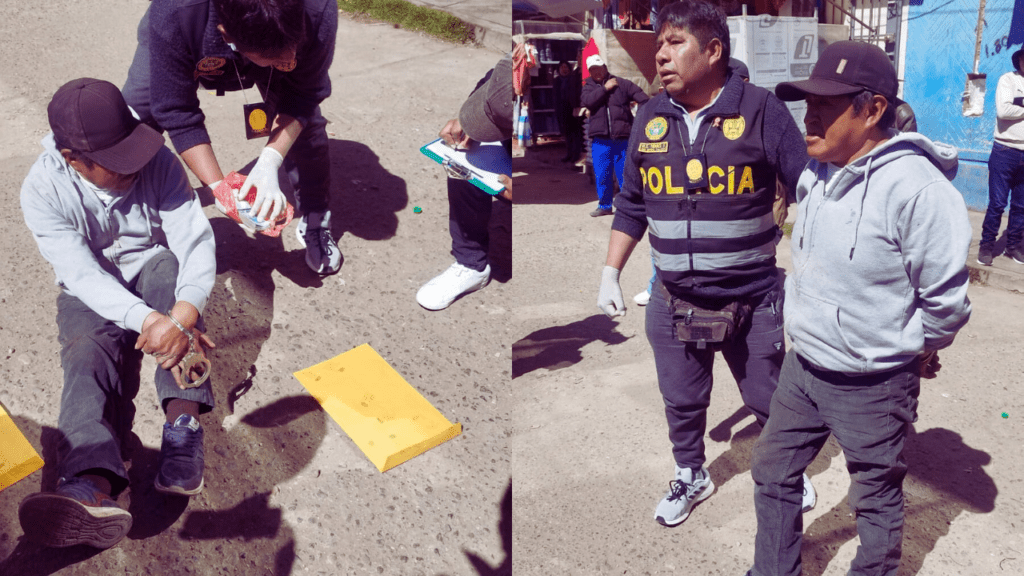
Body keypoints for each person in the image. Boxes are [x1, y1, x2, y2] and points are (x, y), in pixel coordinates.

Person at [747, 41, 972, 576]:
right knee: (772, 471)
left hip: (873, 383)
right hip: (803, 368)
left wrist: (913, 349)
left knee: (874, 497)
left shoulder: (919, 191)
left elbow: (946, 304)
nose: (809, 117)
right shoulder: (815, 172)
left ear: (873, 110)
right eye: (807, 103)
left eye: (826, 105)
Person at [595, 0, 810, 527]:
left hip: (753, 298)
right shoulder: (650, 116)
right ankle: (691, 473)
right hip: (674, 299)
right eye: (659, 44)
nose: (660, 55)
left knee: (769, 397)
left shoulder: (762, 111)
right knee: (682, 401)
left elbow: (812, 190)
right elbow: (633, 204)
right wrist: (610, 272)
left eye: (674, 43)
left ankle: (786, 469)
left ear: (713, 51)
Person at [17, 79, 217, 549]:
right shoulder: (42, 190)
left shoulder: (158, 160)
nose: (135, 165)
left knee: (171, 277)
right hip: (89, 287)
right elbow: (81, 274)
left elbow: (192, 237)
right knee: (85, 354)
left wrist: (183, 313)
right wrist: (148, 321)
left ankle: (183, 424)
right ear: (73, 159)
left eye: (134, 150)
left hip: (151, 261)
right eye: (117, 161)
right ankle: (90, 483)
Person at [122, 0, 341, 275]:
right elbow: (175, 109)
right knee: (133, 122)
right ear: (226, 34)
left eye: (294, 45)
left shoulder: (318, 8)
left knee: (307, 127)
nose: (290, 59)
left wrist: (270, 159)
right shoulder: (175, 13)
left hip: (258, 42)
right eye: (276, 56)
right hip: (191, 34)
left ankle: (316, 216)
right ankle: (127, 224)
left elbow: (304, 95)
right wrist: (219, 189)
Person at [415, 51, 513, 311]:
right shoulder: (514, 61)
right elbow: (492, 78)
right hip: (508, 124)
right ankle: (471, 264)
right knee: (461, 162)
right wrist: (470, 118)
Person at [581, 54, 650, 217]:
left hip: (622, 139)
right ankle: (605, 206)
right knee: (602, 174)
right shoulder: (588, 87)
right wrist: (605, 88)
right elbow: (588, 101)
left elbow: (644, 99)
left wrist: (638, 120)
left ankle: (628, 206)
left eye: (599, 68)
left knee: (625, 175)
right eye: (593, 69)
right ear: (590, 72)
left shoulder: (621, 84)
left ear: (605, 67)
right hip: (600, 140)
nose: (597, 72)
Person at [979, 47, 1024, 266]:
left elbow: (1013, 110)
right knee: (997, 204)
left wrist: (1020, 105)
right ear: (1020, 60)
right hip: (1005, 152)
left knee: (1021, 206)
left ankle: (1013, 246)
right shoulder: (1008, 80)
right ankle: (986, 246)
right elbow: (1004, 111)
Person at [554, 60, 584, 164]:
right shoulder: (557, 81)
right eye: (562, 67)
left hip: (572, 108)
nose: (564, 69)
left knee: (575, 133)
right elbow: (555, 97)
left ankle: (576, 155)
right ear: (558, 70)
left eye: (566, 67)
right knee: (567, 133)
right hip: (562, 109)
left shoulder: (573, 79)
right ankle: (569, 154)